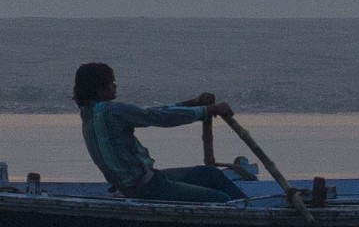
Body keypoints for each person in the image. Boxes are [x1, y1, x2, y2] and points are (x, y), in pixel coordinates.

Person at [72, 61, 244, 202]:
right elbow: (160, 118)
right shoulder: (111, 111)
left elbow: (152, 113)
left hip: (148, 180)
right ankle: (249, 215)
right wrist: (206, 111)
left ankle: (248, 206)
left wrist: (191, 103)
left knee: (209, 174)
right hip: (147, 188)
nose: (115, 86)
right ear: (100, 89)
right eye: (111, 82)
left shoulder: (88, 113)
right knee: (222, 200)